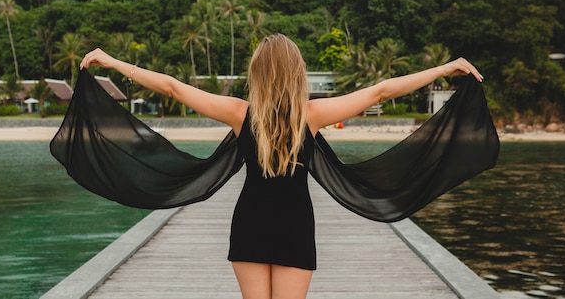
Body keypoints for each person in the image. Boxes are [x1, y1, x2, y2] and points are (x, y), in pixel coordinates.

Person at [79, 33, 483, 299]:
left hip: (250, 222)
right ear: (298, 72)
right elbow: (380, 89)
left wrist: (113, 62)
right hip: (294, 224)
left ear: (256, 73)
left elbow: (171, 86)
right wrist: (445, 68)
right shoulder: (312, 115)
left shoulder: (240, 113)